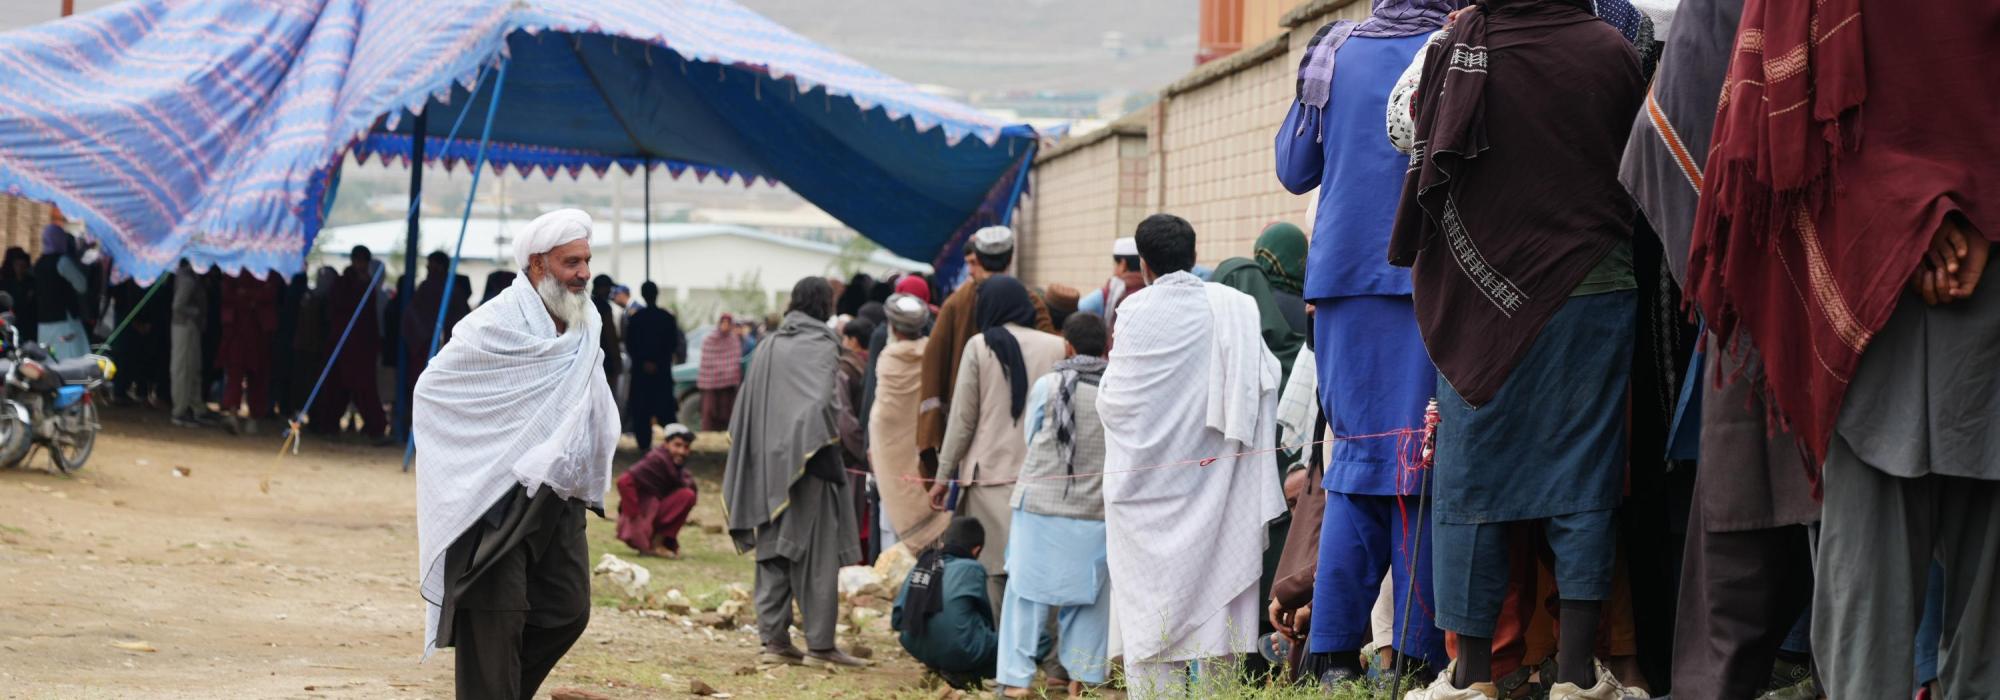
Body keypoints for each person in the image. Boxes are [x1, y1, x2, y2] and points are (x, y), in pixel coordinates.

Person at [1681, 2, 2000, 696]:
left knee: (1870, 613)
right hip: (1879, 300)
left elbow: (1771, 119)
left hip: (1871, 279)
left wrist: (1908, 222)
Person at [1386, 1, 1646, 697]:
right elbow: (1637, 166)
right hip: (1591, 290)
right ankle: (1575, 680)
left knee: (1470, 484)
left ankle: (1470, 678)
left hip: (1478, 297)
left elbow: (1411, 140)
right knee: (1583, 480)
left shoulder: (1456, 48)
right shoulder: (1611, 50)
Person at [1273, 0, 1458, 686]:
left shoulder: (1334, 48)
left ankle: (1330, 652)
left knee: (1354, 461)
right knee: (1420, 462)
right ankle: (1410, 657)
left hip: (1344, 282)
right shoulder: (1459, 41)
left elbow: (1295, 167)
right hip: (1429, 275)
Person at [412, 209, 620, 699]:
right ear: (538, 265)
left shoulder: (584, 324)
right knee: (497, 619)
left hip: (557, 494)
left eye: (587, 260)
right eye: (572, 262)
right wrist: (488, 454)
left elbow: (589, 402)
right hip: (494, 499)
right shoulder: (492, 324)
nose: (584, 273)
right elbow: (433, 394)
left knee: (568, 609)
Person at [1096, 214, 1287, 697]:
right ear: (1195, 255)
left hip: (1148, 493)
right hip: (1218, 484)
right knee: (1220, 603)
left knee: (1150, 617)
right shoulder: (1236, 309)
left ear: (1144, 263)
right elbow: (1265, 383)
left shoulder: (1135, 313)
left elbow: (1113, 404)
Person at [722, 276, 868, 669]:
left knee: (773, 549)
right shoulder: (823, 343)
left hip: (767, 463)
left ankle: (774, 641)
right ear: (823, 305)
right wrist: (808, 443)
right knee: (816, 555)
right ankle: (820, 645)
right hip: (810, 462)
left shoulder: (769, 343)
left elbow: (748, 406)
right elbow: (823, 402)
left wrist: (772, 448)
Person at [926, 275, 1068, 607]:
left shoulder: (979, 346)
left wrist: (942, 476)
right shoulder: (1057, 345)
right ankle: (1034, 649)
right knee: (1035, 567)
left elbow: (962, 420)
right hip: (1042, 476)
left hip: (988, 476)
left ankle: (1000, 652)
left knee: (994, 570)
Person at [996, 312, 1114, 698]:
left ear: (1067, 344)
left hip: (1040, 508)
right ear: (1107, 346)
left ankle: (1016, 681)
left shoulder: (1049, 385)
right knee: (1089, 600)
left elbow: (1033, 436)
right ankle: (1081, 680)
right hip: (1095, 512)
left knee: (1026, 594)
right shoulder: (1115, 389)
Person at [917, 226, 1054, 475]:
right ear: (1011, 258)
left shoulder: (955, 303)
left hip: (970, 433)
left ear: (976, 259)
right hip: (1025, 428)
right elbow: (1051, 356)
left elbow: (933, 364)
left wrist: (932, 434)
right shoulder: (1031, 300)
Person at [868, 294, 946, 551]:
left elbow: (884, 414)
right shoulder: (934, 352)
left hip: (891, 452)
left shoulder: (889, 357)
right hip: (926, 451)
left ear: (892, 327)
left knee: (893, 533)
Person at [893, 517, 1000, 690]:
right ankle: (964, 673)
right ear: (976, 550)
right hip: (960, 649)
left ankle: (939, 666)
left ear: (943, 542)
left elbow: (897, 619)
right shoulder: (972, 568)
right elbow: (986, 617)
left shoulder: (923, 564)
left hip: (914, 644)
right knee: (1022, 644)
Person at [317, 247, 389, 441]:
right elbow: (336, 311)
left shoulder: (369, 286)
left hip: (362, 347)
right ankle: (328, 425)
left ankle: (375, 427)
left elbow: (370, 318)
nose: (361, 265)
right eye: (358, 261)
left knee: (365, 389)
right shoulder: (343, 283)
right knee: (336, 387)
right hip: (342, 345)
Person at [616, 423, 699, 559]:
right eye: (677, 445)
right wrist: (635, 517)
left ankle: (658, 543)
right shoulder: (656, 460)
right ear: (666, 444)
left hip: (655, 511)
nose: (682, 451)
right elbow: (624, 482)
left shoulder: (676, 469)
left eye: (686, 447)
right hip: (643, 514)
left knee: (687, 495)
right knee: (687, 494)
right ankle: (651, 543)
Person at [217, 271, 283, 435]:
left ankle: (253, 417)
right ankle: (233, 414)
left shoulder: (269, 269)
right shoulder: (236, 266)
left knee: (258, 376)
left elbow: (270, 293)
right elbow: (228, 293)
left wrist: (248, 294)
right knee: (234, 373)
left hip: (259, 332)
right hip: (238, 329)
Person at [624, 282, 684, 450]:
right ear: (656, 294)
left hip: (641, 373)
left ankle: (644, 445)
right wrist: (658, 362)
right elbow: (673, 344)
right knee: (665, 409)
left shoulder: (635, 319)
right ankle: (673, 442)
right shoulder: (667, 318)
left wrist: (644, 362)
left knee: (641, 411)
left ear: (643, 295)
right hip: (661, 372)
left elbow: (630, 345)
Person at [34, 225, 89, 361]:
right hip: (64, 321)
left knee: (50, 360)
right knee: (70, 360)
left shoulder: (39, 263)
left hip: (45, 322)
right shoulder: (63, 262)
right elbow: (82, 285)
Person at [169, 259, 210, 427]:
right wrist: (196, 312)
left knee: (193, 367)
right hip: (184, 325)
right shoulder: (187, 279)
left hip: (190, 326)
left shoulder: (191, 277)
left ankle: (195, 406)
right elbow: (178, 306)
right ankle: (180, 411)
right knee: (182, 369)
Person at [1076, 237, 1145, 334]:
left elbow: (1077, 309)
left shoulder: (1109, 292)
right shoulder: (1152, 287)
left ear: (1123, 265)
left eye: (1116, 264)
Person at [692, 311, 741, 433]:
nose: (725, 325)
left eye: (728, 323)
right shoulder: (709, 339)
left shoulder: (734, 340)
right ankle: (707, 436)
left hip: (727, 385)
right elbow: (706, 361)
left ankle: (725, 435)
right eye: (723, 322)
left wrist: (726, 373)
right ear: (719, 324)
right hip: (711, 383)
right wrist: (717, 372)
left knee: (726, 411)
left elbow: (734, 361)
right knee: (709, 410)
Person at [588, 275, 624, 390]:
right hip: (606, 361)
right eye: (609, 288)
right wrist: (617, 361)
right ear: (602, 288)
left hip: (591, 359)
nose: (610, 292)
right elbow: (610, 336)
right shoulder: (604, 307)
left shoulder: (589, 304)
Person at [0, 247, 36, 345]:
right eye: (17, 264)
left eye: (23, 265)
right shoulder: (5, 281)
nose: (20, 268)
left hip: (27, 325)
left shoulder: (30, 281)